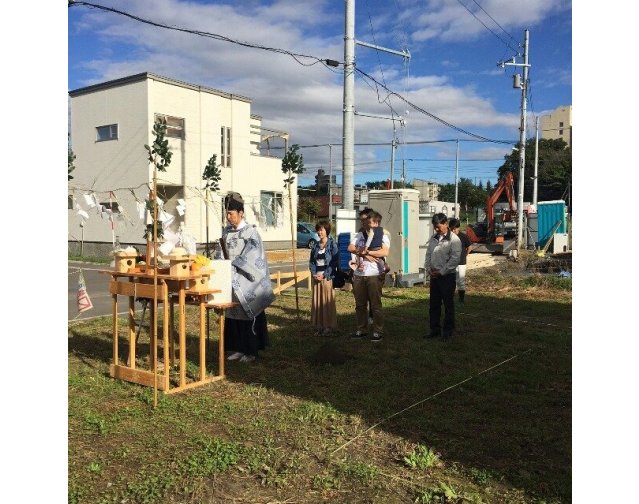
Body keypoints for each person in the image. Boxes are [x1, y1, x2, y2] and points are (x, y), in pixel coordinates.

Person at [217, 192, 275, 362]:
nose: (228, 217)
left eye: (231, 214)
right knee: (233, 315)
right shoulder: (226, 232)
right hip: (231, 279)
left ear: (241, 213)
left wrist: (233, 263)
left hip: (247, 281)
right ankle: (237, 348)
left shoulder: (251, 233)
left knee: (248, 315)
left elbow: (254, 256)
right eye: (227, 214)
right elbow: (220, 252)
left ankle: (251, 350)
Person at [348, 212, 390, 342]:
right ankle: (361, 329)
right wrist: (365, 255)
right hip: (359, 274)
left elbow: (384, 251)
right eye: (363, 221)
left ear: (376, 223)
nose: (364, 223)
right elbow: (350, 247)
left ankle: (378, 331)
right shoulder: (360, 234)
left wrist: (368, 252)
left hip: (374, 274)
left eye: (367, 221)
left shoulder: (383, 235)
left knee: (375, 304)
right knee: (360, 304)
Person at [424, 213, 462, 340]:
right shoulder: (434, 238)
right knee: (434, 305)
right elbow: (428, 254)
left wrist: (441, 272)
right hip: (434, 277)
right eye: (435, 227)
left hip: (447, 277)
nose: (437, 230)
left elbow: (454, 260)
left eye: (439, 227)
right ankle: (434, 329)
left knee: (448, 305)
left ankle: (448, 331)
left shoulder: (454, 240)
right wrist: (429, 269)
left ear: (446, 224)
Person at [309, 219, 339, 336]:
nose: (319, 232)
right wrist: (314, 273)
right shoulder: (316, 245)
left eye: (321, 230)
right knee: (317, 302)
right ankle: (319, 326)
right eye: (318, 230)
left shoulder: (332, 244)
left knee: (326, 301)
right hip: (317, 277)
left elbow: (334, 262)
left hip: (327, 277)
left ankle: (328, 326)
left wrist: (325, 274)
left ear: (326, 230)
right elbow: (312, 261)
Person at [448, 218, 472, 304]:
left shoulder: (464, 236)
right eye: (451, 229)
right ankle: (450, 297)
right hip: (451, 262)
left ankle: (461, 299)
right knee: (451, 280)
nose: (453, 230)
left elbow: (469, 247)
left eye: (455, 228)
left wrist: (464, 255)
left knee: (460, 280)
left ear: (458, 228)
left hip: (461, 263)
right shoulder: (449, 237)